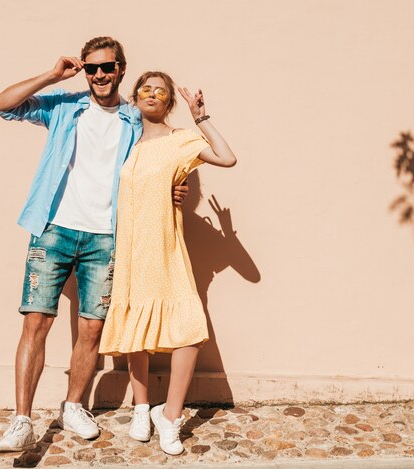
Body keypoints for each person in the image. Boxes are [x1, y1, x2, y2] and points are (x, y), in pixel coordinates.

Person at [0, 37, 189, 452]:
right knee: (36, 322)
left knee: (92, 327)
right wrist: (52, 74)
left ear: (121, 69)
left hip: (109, 236)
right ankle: (22, 420)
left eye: (107, 67)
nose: (99, 74)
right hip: (54, 229)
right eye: (92, 67)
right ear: (85, 69)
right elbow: (1, 105)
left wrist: (173, 188)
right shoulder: (64, 105)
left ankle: (73, 405)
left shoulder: (136, 120)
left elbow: (161, 160)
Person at [98, 71, 237, 455]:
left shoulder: (180, 140)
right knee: (136, 329)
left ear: (169, 102)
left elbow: (227, 158)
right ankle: (142, 407)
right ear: (135, 96)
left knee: (189, 329)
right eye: (146, 88)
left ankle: (170, 415)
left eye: (161, 90)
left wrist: (201, 118)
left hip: (165, 247)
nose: (153, 94)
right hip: (129, 249)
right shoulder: (125, 139)